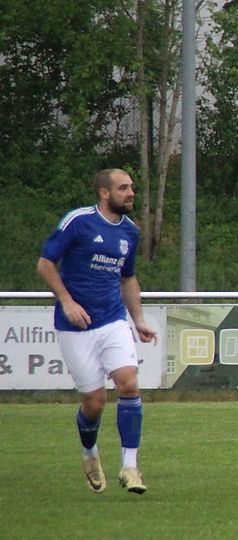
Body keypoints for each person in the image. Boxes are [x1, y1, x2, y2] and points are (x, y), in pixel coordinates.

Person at [37, 168, 157, 495]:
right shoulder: (78, 221)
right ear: (105, 193)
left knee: (129, 383)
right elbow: (46, 264)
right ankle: (90, 452)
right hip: (75, 324)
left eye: (132, 187)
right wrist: (67, 302)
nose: (131, 192)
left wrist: (139, 319)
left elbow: (128, 278)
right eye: (123, 188)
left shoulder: (130, 232)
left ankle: (130, 467)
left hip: (112, 318)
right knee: (95, 401)